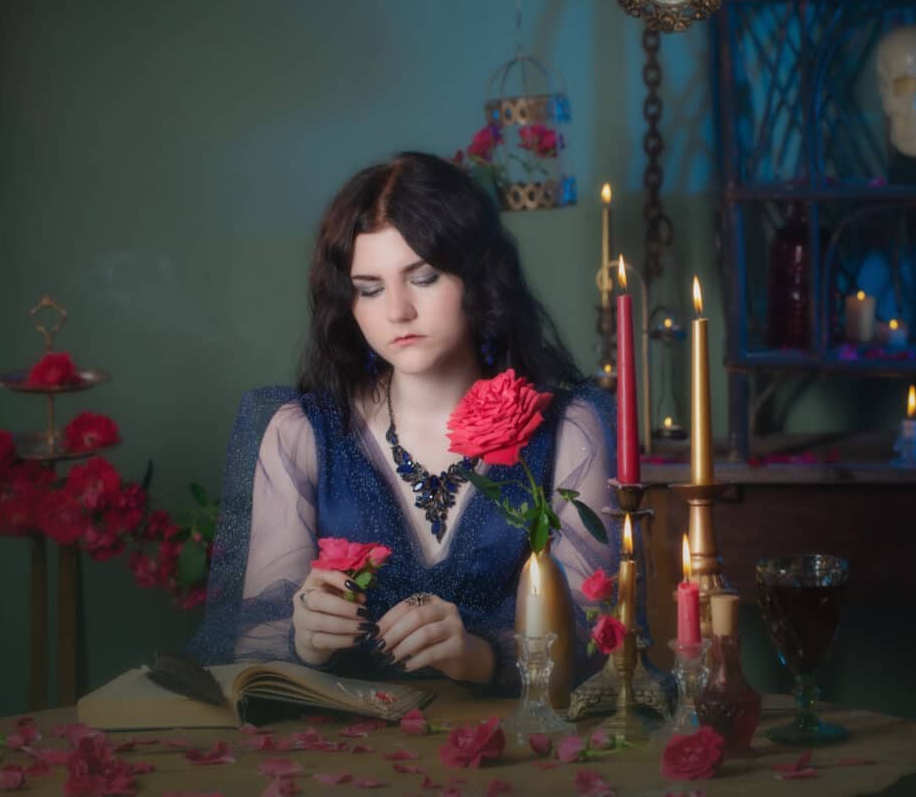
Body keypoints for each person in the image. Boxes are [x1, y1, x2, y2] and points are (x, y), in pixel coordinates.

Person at [187, 151, 618, 692]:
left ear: (479, 279)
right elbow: (246, 646)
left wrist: (481, 655)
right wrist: (302, 638)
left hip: (518, 751)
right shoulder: (300, 432)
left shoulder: (569, 429)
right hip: (340, 754)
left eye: (424, 277)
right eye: (369, 288)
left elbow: (600, 638)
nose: (396, 311)